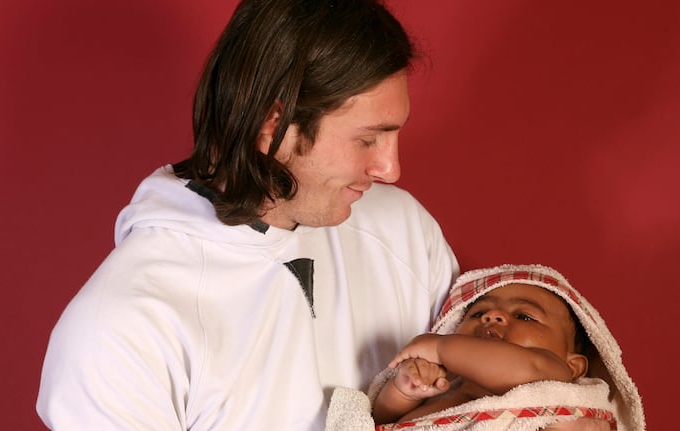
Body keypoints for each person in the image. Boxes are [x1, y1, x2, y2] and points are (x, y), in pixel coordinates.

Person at [36, 1, 458, 430]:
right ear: (271, 124)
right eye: (368, 139)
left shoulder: (404, 230)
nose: (390, 169)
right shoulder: (120, 332)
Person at [325, 264, 645, 431]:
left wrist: (439, 348)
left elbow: (527, 370)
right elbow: (382, 417)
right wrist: (406, 391)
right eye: (478, 313)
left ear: (574, 365)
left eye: (524, 316)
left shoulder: (552, 378)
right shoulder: (447, 386)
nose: (493, 316)